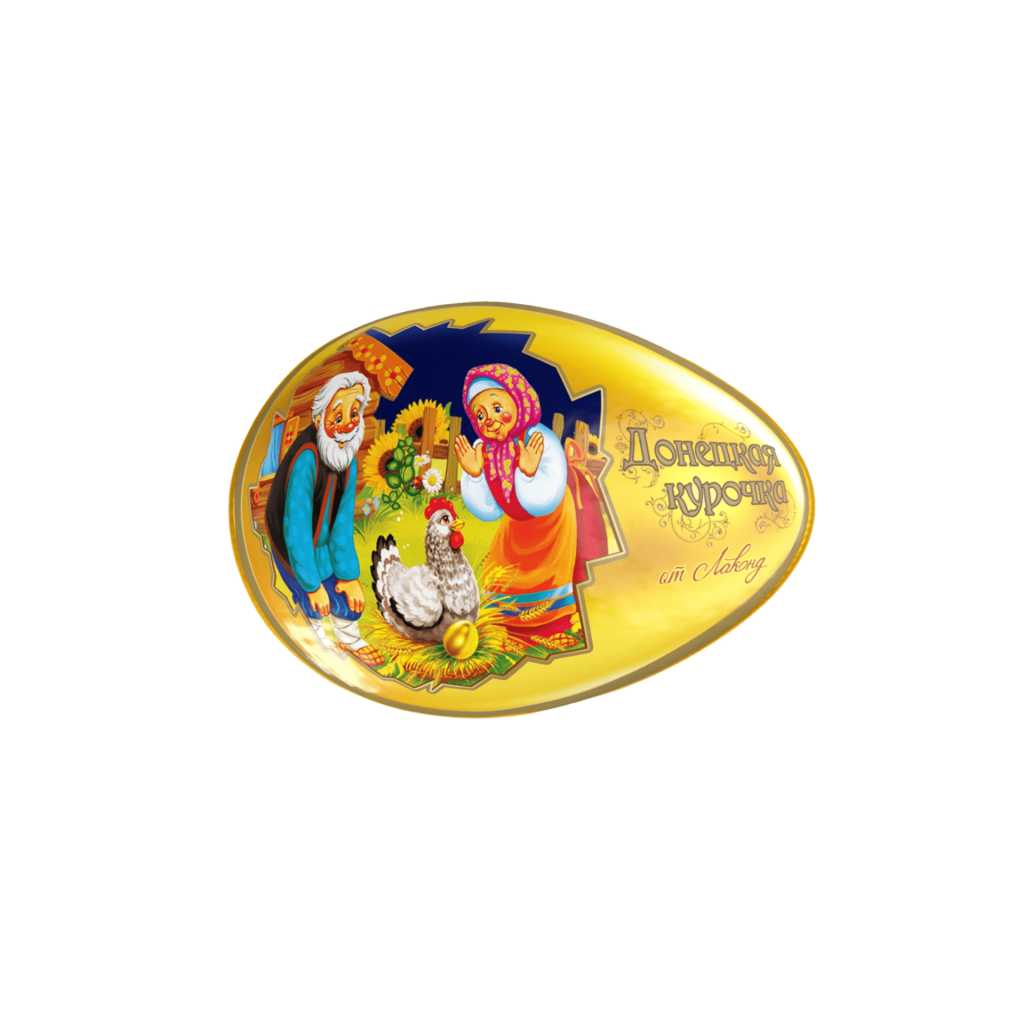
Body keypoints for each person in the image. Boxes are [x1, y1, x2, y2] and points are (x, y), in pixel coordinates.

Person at [265, 371, 383, 666]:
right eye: (337, 416)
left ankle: (349, 637)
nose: (347, 424)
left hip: (323, 545)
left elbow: (342, 524)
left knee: (347, 599)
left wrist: (348, 575)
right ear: (319, 419)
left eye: (354, 413)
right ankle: (318, 639)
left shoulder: (347, 459)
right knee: (315, 601)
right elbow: (296, 528)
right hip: (291, 545)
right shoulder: (307, 457)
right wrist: (312, 584)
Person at [454, 364, 578, 637]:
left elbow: (546, 499)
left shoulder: (538, 438)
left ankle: (551, 626)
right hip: (515, 525)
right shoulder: (485, 450)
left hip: (551, 524)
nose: (488, 419)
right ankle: (504, 626)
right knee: (500, 570)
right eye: (480, 415)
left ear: (518, 400)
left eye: (497, 408)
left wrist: (529, 474)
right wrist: (475, 475)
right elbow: (489, 510)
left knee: (546, 576)